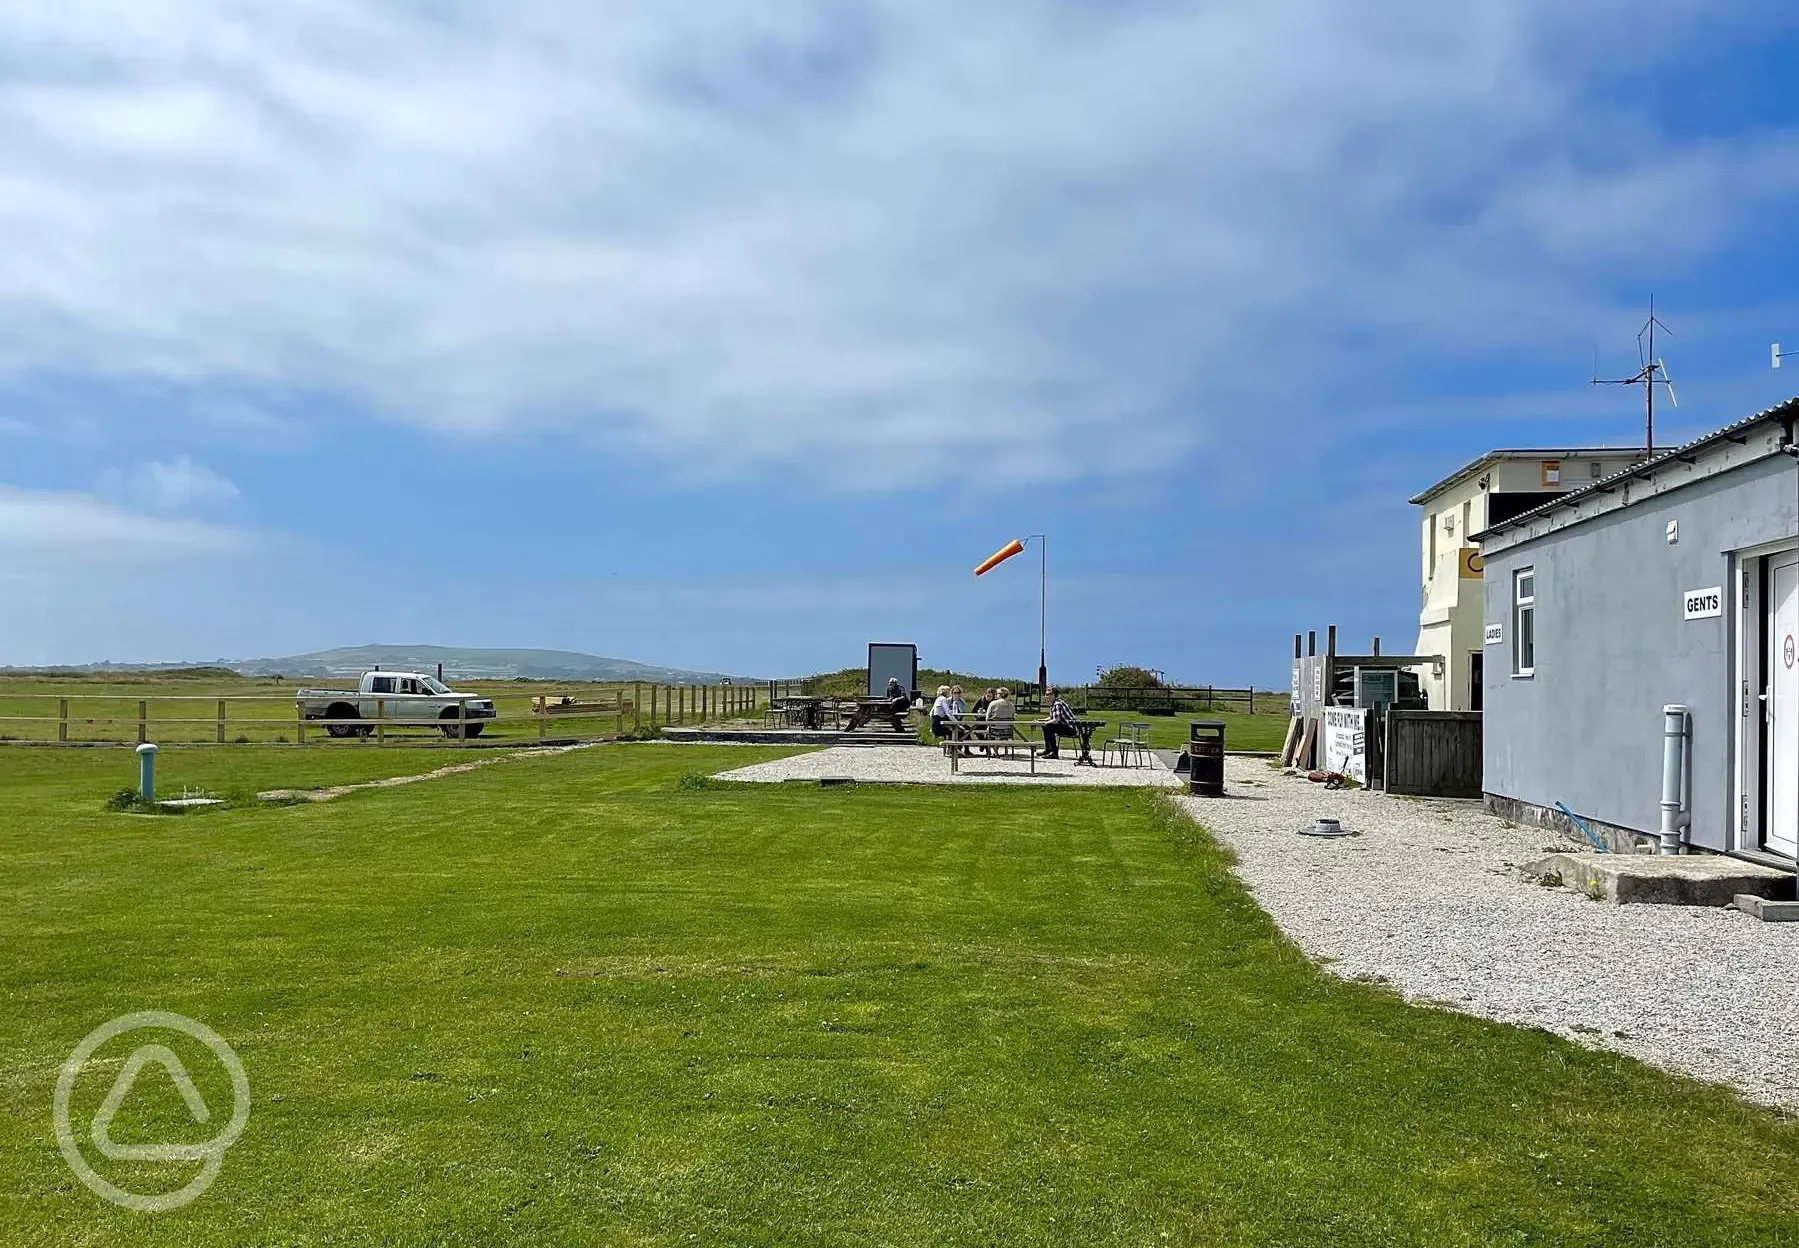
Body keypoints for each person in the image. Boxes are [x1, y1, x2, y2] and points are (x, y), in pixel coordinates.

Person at [1041, 686, 1080, 759]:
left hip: (1071, 728)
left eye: (1048, 695)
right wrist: (1041, 721)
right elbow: (1051, 717)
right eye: (1046, 694)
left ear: (1053, 695)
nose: (1046, 696)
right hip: (1065, 726)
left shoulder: (1057, 704)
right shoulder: (1053, 704)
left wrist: (1046, 723)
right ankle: (1048, 749)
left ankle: (1054, 753)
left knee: (1048, 727)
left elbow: (1056, 720)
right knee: (1045, 726)